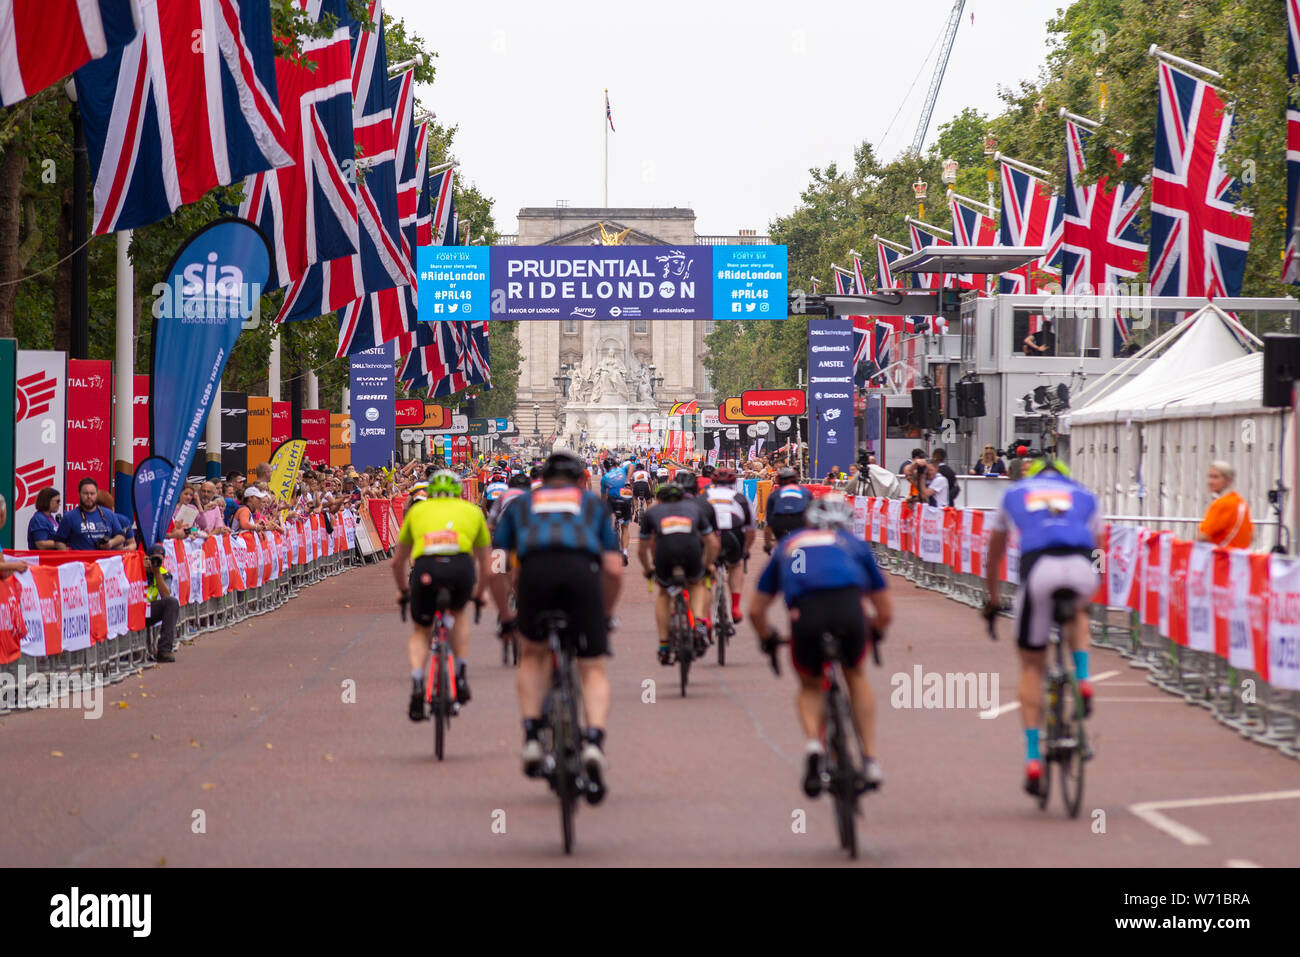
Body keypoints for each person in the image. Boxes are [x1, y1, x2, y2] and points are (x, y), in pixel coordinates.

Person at [491, 450, 622, 798]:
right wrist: (605, 615)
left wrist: (506, 615)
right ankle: (594, 741)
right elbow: (612, 568)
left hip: (536, 576)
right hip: (581, 577)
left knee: (532, 656)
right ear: (581, 479)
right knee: (592, 667)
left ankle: (533, 736)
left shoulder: (521, 506)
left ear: (543, 480)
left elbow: (496, 563)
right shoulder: (592, 505)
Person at [750, 493, 892, 795]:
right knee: (856, 675)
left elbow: (756, 609)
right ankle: (870, 759)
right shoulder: (853, 545)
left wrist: (767, 638)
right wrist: (876, 632)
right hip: (847, 609)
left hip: (807, 615)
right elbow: (884, 609)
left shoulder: (789, 545)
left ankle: (814, 744)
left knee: (810, 686)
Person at [982, 456, 1101, 798]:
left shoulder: (1015, 494)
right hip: (1080, 567)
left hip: (1040, 571)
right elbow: (1099, 549)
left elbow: (994, 555)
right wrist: (1093, 590)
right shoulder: (1085, 494)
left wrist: (992, 600)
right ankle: (1083, 676)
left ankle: (1033, 757)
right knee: (1079, 613)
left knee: (1031, 665)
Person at [393, 470, 491, 722]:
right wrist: (479, 595)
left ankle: (417, 683)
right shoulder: (472, 511)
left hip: (427, 569)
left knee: (420, 631)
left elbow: (397, 562)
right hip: (460, 568)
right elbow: (485, 563)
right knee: (458, 614)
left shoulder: (417, 511)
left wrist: (403, 592)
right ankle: (459, 674)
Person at [639, 481, 719, 664]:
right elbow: (712, 543)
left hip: (665, 555)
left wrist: (648, 569)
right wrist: (707, 564)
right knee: (697, 584)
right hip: (691, 553)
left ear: (659, 500)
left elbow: (642, 550)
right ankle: (699, 622)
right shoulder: (694, 510)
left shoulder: (652, 512)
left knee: (664, 594)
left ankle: (664, 645)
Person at [702, 466, 756, 624]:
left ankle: (706, 617)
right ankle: (735, 607)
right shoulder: (740, 497)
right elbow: (751, 531)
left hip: (711, 536)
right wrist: (745, 550)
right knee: (735, 565)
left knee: (705, 571)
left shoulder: (704, 496)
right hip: (733, 535)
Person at [53, 478, 125, 550]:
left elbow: (121, 536)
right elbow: (59, 541)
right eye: (85, 493)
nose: (89, 497)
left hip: (104, 560)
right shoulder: (69, 517)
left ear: (97, 494)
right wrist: (68, 556)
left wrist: (111, 543)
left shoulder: (109, 514)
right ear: (79, 494)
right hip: (81, 560)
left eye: (92, 493)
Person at [1197, 461, 1252, 549]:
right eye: (1209, 477)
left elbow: (1203, 536)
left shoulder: (1221, 503)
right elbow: (1251, 534)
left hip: (1222, 557)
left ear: (1228, 481)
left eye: (1215, 477)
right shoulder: (1241, 502)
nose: (1210, 482)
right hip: (1241, 557)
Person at [144, 543, 181, 662]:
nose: (156, 561)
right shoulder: (135, 568)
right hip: (134, 608)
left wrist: (156, 573)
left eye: (159, 559)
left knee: (172, 602)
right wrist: (142, 568)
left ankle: (164, 650)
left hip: (149, 610)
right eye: (153, 558)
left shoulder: (163, 573)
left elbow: (166, 595)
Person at [764, 467, 811, 552]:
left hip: (779, 520)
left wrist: (767, 545)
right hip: (799, 520)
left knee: (779, 543)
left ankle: (779, 555)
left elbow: (768, 525)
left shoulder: (775, 494)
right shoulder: (805, 491)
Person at [599, 456, 632, 565]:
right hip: (626, 498)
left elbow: (603, 497)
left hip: (612, 500)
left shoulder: (604, 478)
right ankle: (625, 552)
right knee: (625, 527)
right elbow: (632, 465)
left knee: (606, 519)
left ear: (605, 468)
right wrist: (627, 480)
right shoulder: (622, 469)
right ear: (615, 464)